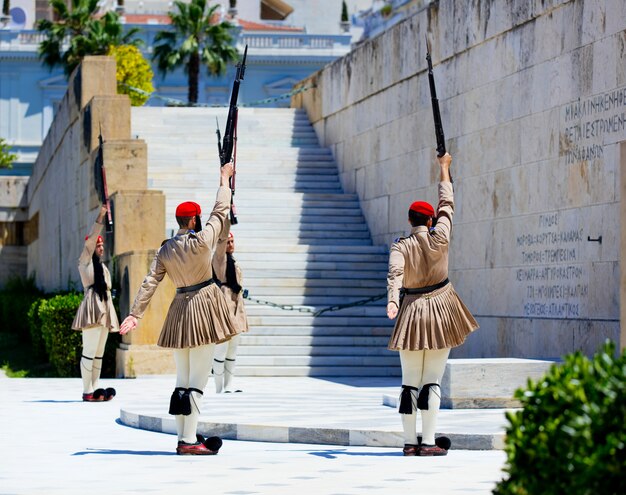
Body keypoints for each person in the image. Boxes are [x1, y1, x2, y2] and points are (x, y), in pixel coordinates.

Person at [119, 162, 239, 456]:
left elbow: (150, 281)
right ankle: (188, 441)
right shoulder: (201, 241)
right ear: (195, 220)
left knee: (182, 380)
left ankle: (186, 435)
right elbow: (221, 210)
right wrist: (224, 178)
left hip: (179, 311)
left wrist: (135, 314)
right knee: (197, 380)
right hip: (202, 307)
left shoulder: (165, 249)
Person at [386, 153, 478, 457]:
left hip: (411, 310)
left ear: (410, 222)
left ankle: (409, 443)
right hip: (441, 309)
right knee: (432, 381)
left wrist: (392, 302)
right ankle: (428, 443)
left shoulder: (401, 245)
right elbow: (447, 205)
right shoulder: (441, 238)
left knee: (409, 383)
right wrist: (443, 169)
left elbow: (395, 273)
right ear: (429, 220)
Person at [72, 205, 120, 402]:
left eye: (101, 246)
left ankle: (95, 388)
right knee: (89, 351)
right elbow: (91, 239)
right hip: (92, 309)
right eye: (97, 246)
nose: (100, 247)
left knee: (99, 353)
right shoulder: (85, 261)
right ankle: (87, 390)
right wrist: (100, 217)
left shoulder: (102, 267)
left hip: (104, 309)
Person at [212, 223, 249, 393]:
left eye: (232, 241)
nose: (230, 245)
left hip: (236, 308)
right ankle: (219, 387)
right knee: (221, 350)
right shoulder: (219, 259)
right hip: (224, 308)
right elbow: (220, 246)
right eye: (227, 242)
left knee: (232, 350)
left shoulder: (234, 262)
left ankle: (228, 386)